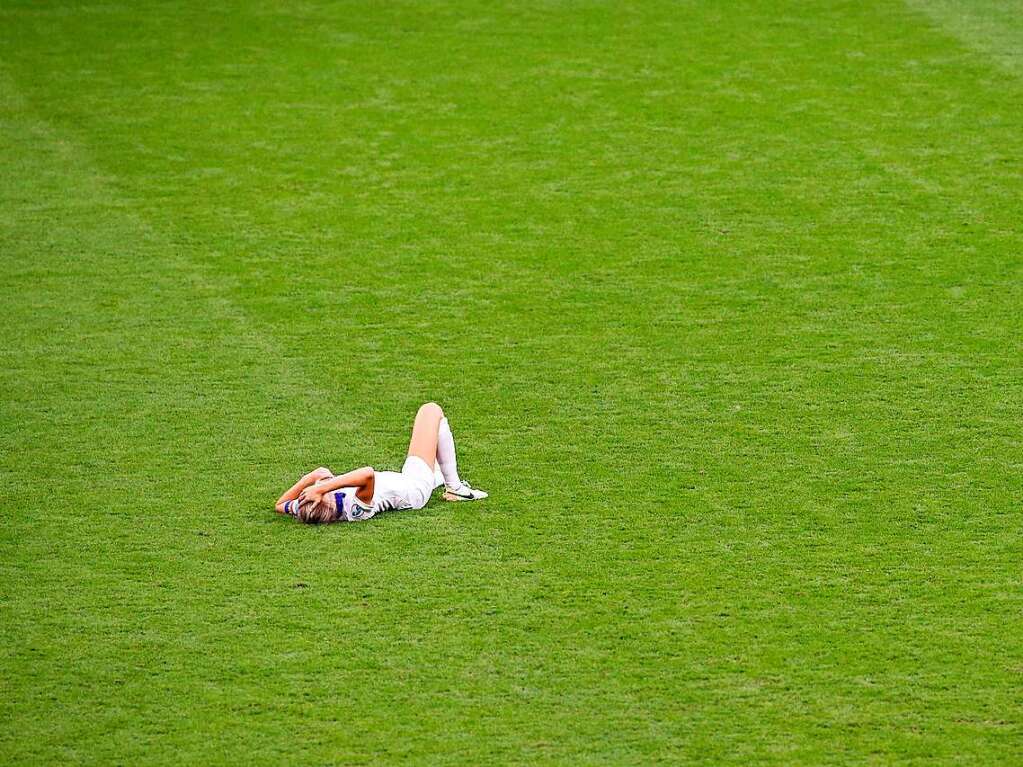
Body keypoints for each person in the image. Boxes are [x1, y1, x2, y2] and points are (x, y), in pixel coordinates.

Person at [275, 402, 487, 524]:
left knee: (437, 464)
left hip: (404, 481)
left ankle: (441, 478)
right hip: (414, 489)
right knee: (431, 411)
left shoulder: (308, 509)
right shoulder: (354, 508)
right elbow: (367, 474)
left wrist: (311, 480)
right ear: (325, 500)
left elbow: (279, 505)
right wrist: (322, 486)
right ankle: (455, 488)